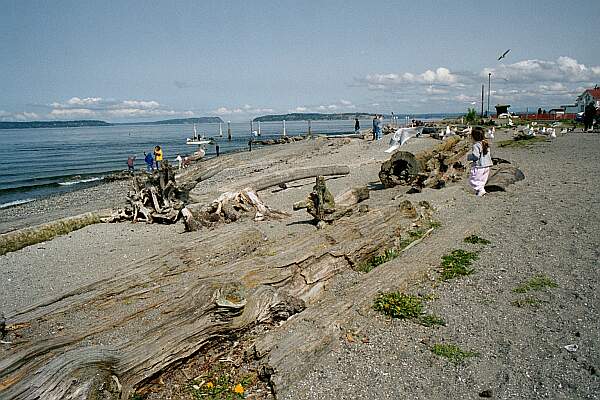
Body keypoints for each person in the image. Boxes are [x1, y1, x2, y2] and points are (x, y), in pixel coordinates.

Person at [467, 127, 493, 197]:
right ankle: (481, 191)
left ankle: (481, 190)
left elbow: (476, 156)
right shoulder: (485, 143)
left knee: (473, 180)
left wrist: (468, 157)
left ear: (473, 137)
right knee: (482, 180)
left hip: (479, 166)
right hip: (487, 165)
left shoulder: (476, 145)